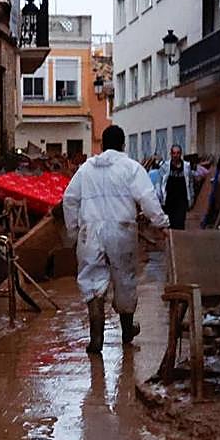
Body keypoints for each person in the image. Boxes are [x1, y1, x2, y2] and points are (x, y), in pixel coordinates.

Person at [62, 125, 170, 354]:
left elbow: (69, 199)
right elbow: (148, 199)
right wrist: (162, 223)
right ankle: (127, 330)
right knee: (126, 279)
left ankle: (96, 337)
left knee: (92, 283)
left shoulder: (86, 169)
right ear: (123, 145)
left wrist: (74, 231)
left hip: (90, 231)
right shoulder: (131, 168)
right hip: (122, 230)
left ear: (101, 145)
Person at [155, 144, 198, 230]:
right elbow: (159, 182)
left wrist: (192, 197)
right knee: (169, 225)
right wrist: (159, 196)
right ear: (171, 154)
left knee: (180, 224)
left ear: (181, 154)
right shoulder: (165, 167)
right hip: (169, 202)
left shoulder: (186, 167)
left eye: (178, 153)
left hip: (182, 201)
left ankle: (180, 241)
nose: (176, 155)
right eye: (174, 153)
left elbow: (190, 183)